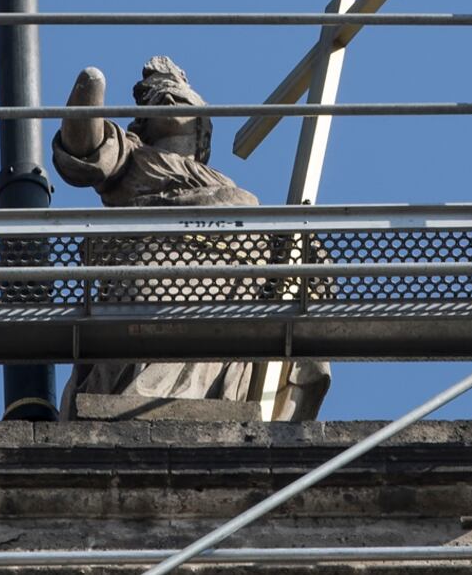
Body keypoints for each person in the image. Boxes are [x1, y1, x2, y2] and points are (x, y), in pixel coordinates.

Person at [52, 57, 330, 420]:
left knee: (210, 385)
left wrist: (299, 252)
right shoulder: (134, 155)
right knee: (141, 370)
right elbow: (84, 145)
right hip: (156, 269)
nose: (167, 100)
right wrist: (90, 92)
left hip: (233, 295)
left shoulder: (230, 189)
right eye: (156, 101)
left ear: (202, 120)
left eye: (177, 98)